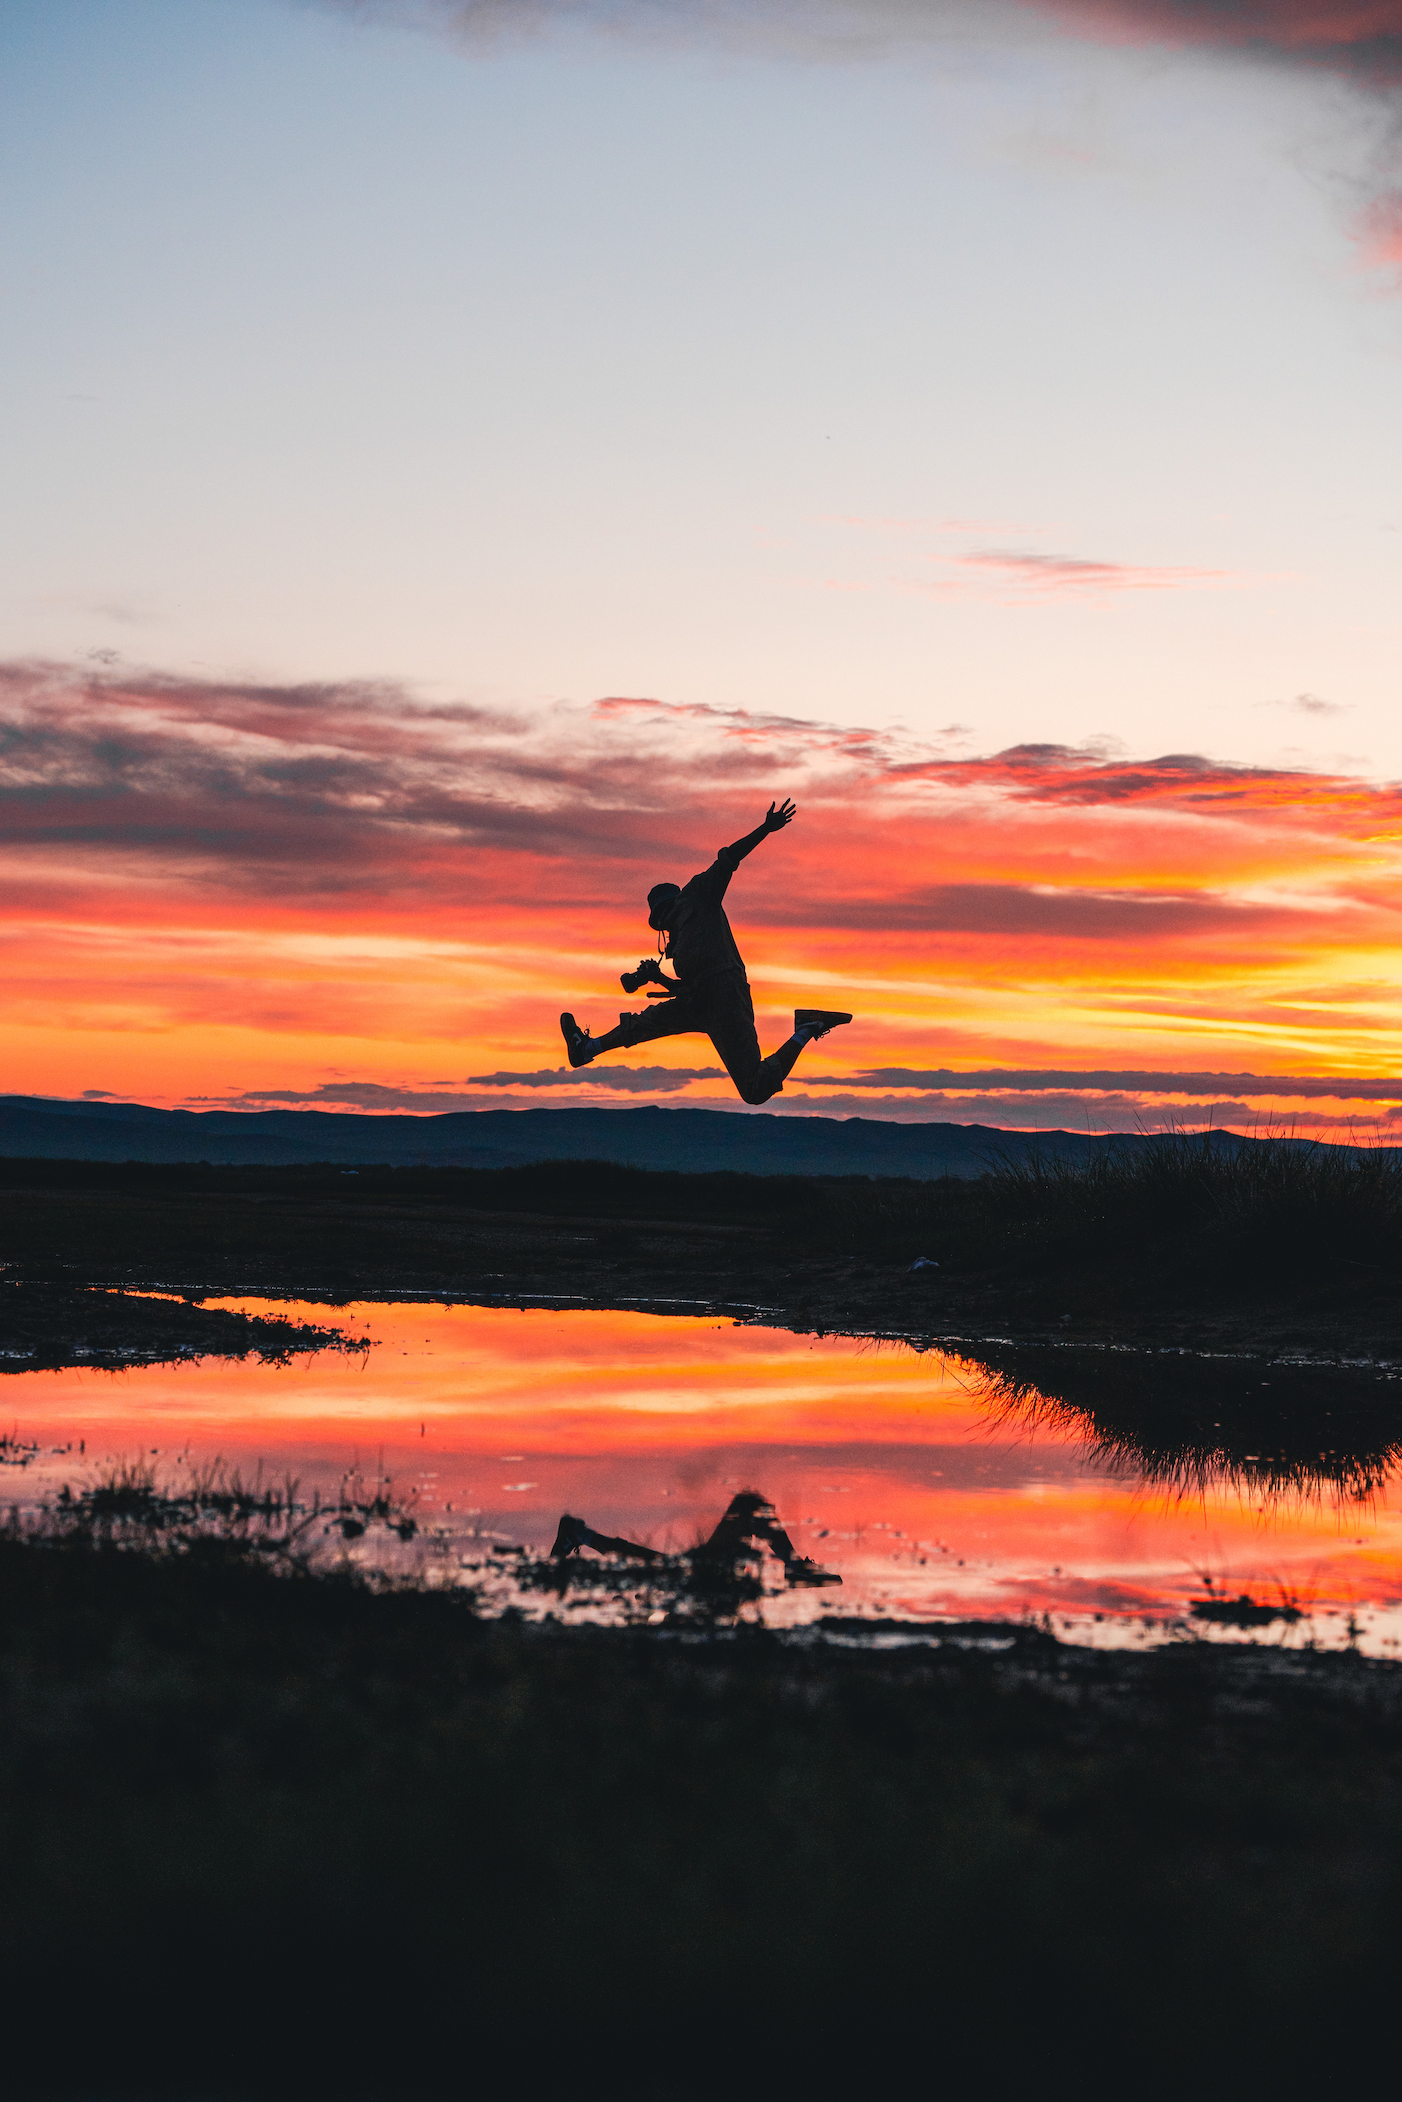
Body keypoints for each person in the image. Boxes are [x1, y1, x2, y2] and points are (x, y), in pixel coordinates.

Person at [559, 799, 852, 1105]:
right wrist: (659, 978)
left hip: (725, 994)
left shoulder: (698, 894)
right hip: (696, 1000)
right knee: (643, 1025)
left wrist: (766, 828)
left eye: (659, 921)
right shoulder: (678, 941)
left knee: (755, 1089)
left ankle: (807, 1028)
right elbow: (685, 986)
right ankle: (585, 1049)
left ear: (662, 914)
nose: (663, 928)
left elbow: (728, 859)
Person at [550, 1489, 841, 1587]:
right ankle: (792, 1567)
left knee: (647, 1562)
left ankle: (792, 1567)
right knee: (748, 1504)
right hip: (696, 1574)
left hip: (694, 1571)